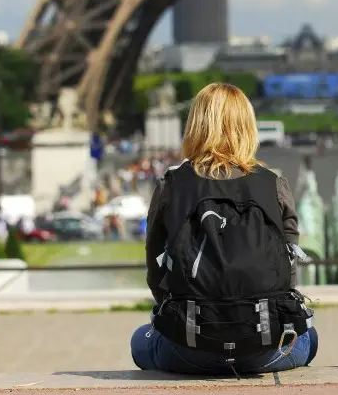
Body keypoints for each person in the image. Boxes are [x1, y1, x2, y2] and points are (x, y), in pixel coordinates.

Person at [131, 83, 317, 376]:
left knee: (139, 339)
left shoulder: (171, 186)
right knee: (309, 337)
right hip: (265, 348)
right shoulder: (273, 185)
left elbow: (157, 276)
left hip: (189, 348)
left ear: (195, 125)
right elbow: (288, 272)